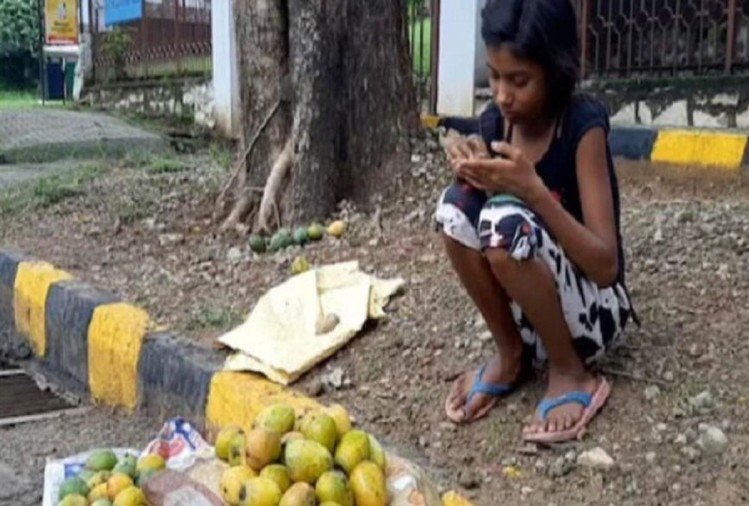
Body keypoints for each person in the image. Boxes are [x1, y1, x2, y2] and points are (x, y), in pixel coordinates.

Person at [436, 0, 636, 443]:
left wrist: (534, 192)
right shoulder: (496, 124)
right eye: (494, 76)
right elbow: (480, 222)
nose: (502, 94)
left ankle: (571, 372)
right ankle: (512, 355)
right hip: (534, 309)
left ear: (555, 71)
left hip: (593, 312)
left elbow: (606, 268)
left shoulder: (581, 128)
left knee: (507, 222)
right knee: (454, 208)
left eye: (519, 81)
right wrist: (473, 175)